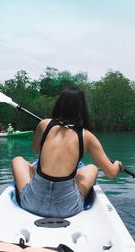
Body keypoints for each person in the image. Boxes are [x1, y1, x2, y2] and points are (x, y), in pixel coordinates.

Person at [11, 87, 123, 219]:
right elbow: (111, 173)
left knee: (18, 160)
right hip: (68, 210)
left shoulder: (44, 124)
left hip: (32, 204)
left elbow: (35, 149)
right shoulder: (87, 137)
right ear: (82, 109)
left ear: (59, 105)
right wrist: (117, 164)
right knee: (92, 168)